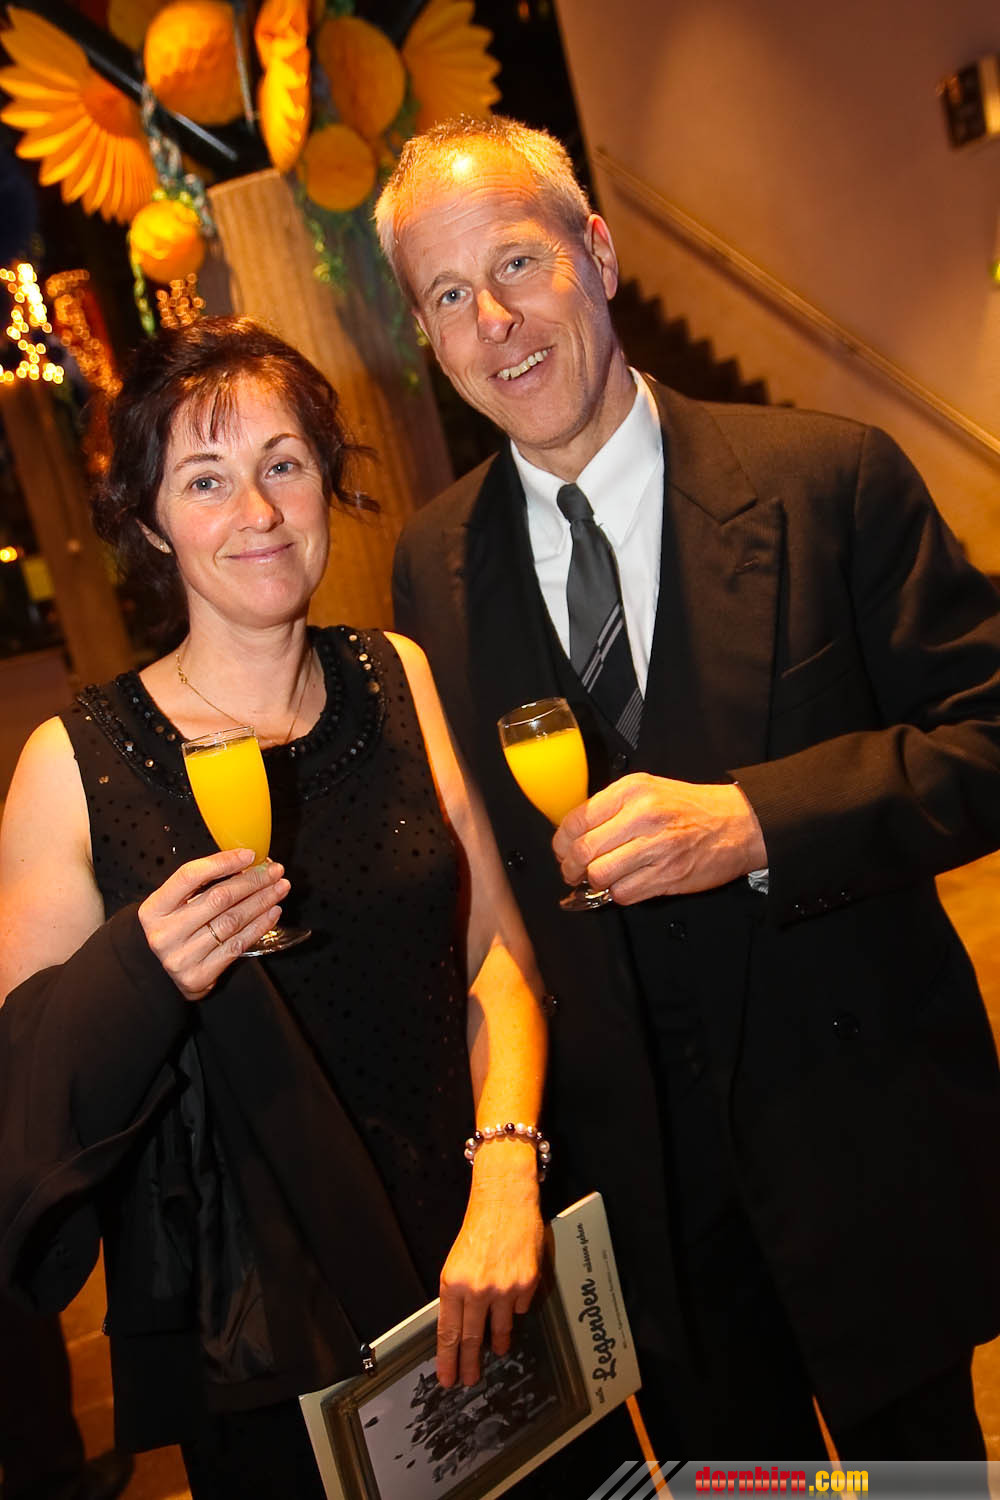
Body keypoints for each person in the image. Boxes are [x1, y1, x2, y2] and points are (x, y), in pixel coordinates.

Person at [376, 116, 1000, 1459]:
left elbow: (988, 737)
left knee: (923, 1485)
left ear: (598, 255)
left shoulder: (825, 480)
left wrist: (759, 820)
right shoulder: (430, 567)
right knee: (740, 1492)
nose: (495, 323)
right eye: (449, 296)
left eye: (518, 264)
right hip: (648, 1211)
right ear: (427, 337)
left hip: (860, 1146)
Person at [0, 317, 550, 1498]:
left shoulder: (396, 675)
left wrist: (507, 1171)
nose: (256, 511)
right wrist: (142, 968)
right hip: (268, 1332)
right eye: (205, 480)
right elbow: (28, 1096)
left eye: (283, 463)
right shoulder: (72, 763)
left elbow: (495, 956)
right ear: (151, 521)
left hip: (476, 1252)